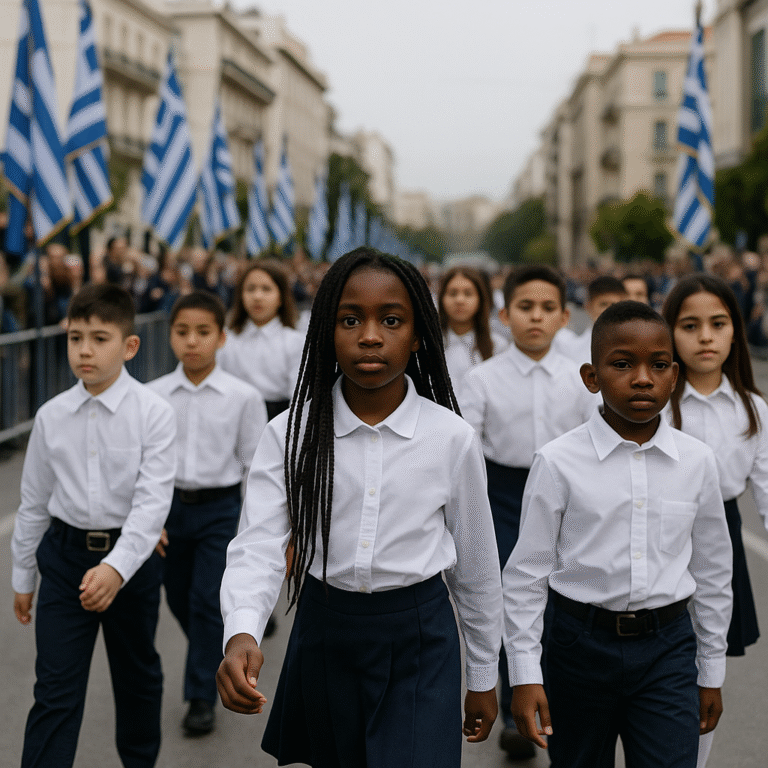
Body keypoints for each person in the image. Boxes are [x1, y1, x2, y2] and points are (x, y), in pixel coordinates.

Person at [216, 248, 503, 768]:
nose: (370, 335)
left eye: (390, 320)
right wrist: (241, 631)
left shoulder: (451, 438)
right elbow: (258, 544)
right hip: (326, 634)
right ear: (327, 330)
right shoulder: (291, 431)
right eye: (350, 319)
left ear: (417, 336)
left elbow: (476, 566)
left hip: (420, 639)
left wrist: (483, 674)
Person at [503, 301, 733, 768]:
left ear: (674, 374)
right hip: (578, 649)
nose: (643, 378)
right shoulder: (558, 461)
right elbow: (526, 577)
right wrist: (525, 675)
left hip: (667, 649)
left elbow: (712, 572)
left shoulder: (697, 461)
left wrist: (711, 671)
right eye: (623, 364)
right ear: (592, 377)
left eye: (659, 365)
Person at [11, 283, 177, 768]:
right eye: (75, 337)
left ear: (129, 346)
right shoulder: (51, 416)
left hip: (133, 562)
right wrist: (24, 577)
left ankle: (139, 762)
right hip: (63, 560)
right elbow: (34, 502)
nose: (84, 349)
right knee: (55, 689)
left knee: (136, 678)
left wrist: (116, 569)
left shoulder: (154, 414)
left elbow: (152, 506)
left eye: (99, 338)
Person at [458, 263, 597, 760]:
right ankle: (510, 688)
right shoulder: (482, 378)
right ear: (503, 314)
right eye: (524, 307)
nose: (535, 318)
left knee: (559, 594)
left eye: (546, 309)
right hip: (503, 494)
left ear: (564, 316)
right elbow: (468, 449)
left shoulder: (581, 377)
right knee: (503, 594)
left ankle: (551, 695)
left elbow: (593, 438)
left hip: (568, 494)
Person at [147, 291, 267, 735]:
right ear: (170, 336)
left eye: (202, 332)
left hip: (219, 510)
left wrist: (249, 526)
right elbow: (142, 464)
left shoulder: (243, 397)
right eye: (182, 332)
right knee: (177, 595)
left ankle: (199, 697)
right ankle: (208, 647)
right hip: (167, 508)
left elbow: (254, 466)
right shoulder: (153, 395)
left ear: (221, 338)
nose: (191, 342)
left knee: (204, 600)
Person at [663, 275, 768, 767]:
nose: (705, 336)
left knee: (706, 672)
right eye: (690, 325)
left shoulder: (754, 410)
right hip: (659, 536)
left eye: (718, 324)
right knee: (661, 666)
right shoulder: (655, 402)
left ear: (735, 332)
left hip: (720, 540)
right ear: (670, 333)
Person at [218, 259, 305, 421]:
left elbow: (299, 393)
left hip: (278, 418)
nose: (257, 296)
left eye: (266, 289)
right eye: (250, 289)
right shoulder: (228, 339)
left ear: (281, 297)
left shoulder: (295, 341)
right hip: (233, 416)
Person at [437, 266, 508, 386]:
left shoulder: (497, 345)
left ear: (480, 299)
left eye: (468, 293)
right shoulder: (427, 345)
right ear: (441, 298)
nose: (459, 300)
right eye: (452, 293)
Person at [554, 274, 628, 363]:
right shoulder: (570, 348)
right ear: (588, 307)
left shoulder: (636, 347)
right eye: (603, 304)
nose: (609, 311)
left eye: (614, 305)